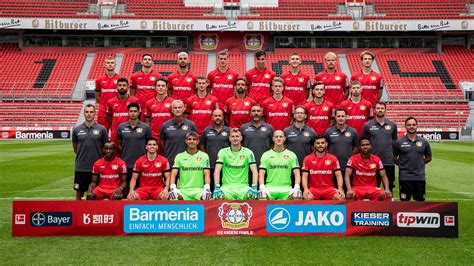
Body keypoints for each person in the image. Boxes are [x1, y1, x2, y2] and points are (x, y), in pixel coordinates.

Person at [72, 104, 108, 200]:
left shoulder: (102, 129)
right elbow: (75, 149)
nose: (89, 114)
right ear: (84, 113)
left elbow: (105, 148)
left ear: (94, 113)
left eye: (91, 112)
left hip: (97, 168)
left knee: (95, 195)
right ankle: (77, 214)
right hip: (81, 167)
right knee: (79, 194)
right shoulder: (77, 129)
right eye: (87, 112)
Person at [213, 128, 259, 200]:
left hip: (243, 187)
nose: (235, 138)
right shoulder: (223, 152)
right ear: (229, 138)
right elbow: (217, 170)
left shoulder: (248, 152)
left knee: (252, 196)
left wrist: (254, 186)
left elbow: (254, 171)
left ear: (241, 138)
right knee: (218, 197)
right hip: (227, 187)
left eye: (237, 136)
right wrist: (216, 186)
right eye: (233, 136)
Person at [362, 101, 398, 192]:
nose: (380, 110)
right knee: (372, 189)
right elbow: (364, 144)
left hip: (388, 162)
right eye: (378, 108)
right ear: (374, 110)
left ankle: (389, 206)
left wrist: (393, 156)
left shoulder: (392, 125)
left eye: (382, 108)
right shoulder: (367, 125)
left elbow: (394, 142)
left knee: (389, 189)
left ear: (385, 110)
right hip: (372, 162)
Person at [394, 117, 432, 201]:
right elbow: (394, 157)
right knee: (404, 203)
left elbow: (429, 157)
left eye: (413, 125)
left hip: (419, 177)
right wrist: (402, 164)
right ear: (405, 126)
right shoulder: (399, 142)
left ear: (417, 126)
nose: (411, 126)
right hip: (405, 177)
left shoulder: (424, 141)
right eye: (409, 125)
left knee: (420, 202)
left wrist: (420, 163)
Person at [258, 130, 302, 200]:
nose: (278, 138)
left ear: (284, 138)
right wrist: (262, 186)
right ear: (273, 139)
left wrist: (297, 186)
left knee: (297, 196)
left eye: (281, 136)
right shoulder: (266, 155)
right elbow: (261, 174)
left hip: (287, 188)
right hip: (270, 188)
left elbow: (297, 173)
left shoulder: (292, 155)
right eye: (276, 137)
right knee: (261, 196)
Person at [169, 132, 212, 200]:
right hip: (183, 190)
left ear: (198, 141)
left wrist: (207, 187)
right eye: (189, 139)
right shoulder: (179, 156)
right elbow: (173, 174)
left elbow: (207, 174)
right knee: (173, 197)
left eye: (194, 139)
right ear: (186, 141)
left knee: (207, 197)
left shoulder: (204, 156)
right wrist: (172, 187)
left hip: (199, 190)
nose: (192, 141)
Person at [116, 102, 152, 183]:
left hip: (142, 163)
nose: (133, 113)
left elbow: (149, 144)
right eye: (131, 111)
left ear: (139, 112)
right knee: (126, 189)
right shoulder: (121, 127)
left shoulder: (145, 127)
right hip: (126, 162)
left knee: (140, 189)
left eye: (135, 111)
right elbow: (119, 144)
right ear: (128, 112)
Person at [301, 135, 344, 200]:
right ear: (314, 145)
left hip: (329, 189)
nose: (320, 145)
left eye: (322, 143)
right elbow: (304, 176)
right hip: (313, 189)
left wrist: (340, 189)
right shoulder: (307, 159)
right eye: (318, 143)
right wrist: (305, 189)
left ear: (326, 144)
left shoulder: (333, 158)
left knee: (339, 198)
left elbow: (338, 175)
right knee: (307, 198)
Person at [324, 107, 358, 186]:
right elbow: (325, 147)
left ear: (346, 117)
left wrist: (351, 157)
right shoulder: (329, 131)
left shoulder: (353, 131)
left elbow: (356, 147)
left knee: (348, 192)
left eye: (343, 116)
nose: (340, 118)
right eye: (338, 116)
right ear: (335, 117)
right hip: (332, 167)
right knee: (334, 192)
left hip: (348, 167)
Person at [160, 100, 197, 167]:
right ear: (172, 110)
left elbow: (195, 142)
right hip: (171, 161)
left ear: (183, 109)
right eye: (175, 108)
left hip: (187, 162)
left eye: (179, 107)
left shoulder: (191, 125)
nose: (177, 110)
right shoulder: (165, 125)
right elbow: (162, 144)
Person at [200, 109, 230, 189]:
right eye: (215, 116)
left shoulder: (229, 130)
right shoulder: (206, 130)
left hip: (225, 164)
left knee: (224, 186)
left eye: (219, 116)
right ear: (212, 117)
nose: (217, 118)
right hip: (211, 164)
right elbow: (202, 146)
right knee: (212, 186)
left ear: (223, 117)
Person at [106, 78, 139, 143]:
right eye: (120, 85)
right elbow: (109, 118)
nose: (122, 87)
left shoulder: (135, 100)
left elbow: (138, 117)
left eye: (124, 85)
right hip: (116, 134)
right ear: (116, 87)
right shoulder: (110, 102)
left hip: (131, 133)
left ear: (128, 87)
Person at [130, 54, 162, 119]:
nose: (147, 61)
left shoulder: (158, 76)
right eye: (145, 59)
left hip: (153, 105)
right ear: (142, 62)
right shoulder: (134, 76)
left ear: (152, 62)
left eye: (149, 59)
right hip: (139, 105)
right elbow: (132, 93)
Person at [95, 56, 121, 130]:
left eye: (112, 63)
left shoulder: (120, 79)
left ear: (115, 65)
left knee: (116, 133)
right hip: (103, 111)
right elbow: (97, 97)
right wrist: (103, 106)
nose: (110, 64)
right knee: (102, 133)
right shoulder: (99, 79)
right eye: (108, 63)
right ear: (105, 64)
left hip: (116, 110)